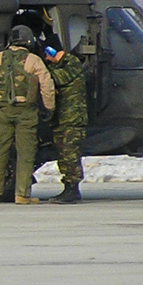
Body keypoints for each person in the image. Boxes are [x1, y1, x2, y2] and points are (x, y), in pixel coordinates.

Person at [0, 25, 56, 204]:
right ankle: (22, 194)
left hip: (2, 110)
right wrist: (49, 108)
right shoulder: (34, 60)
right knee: (26, 152)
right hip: (26, 112)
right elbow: (47, 85)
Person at [45, 42, 87, 203]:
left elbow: (58, 78)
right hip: (62, 119)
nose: (46, 58)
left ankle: (73, 189)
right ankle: (69, 188)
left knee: (70, 154)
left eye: (48, 53)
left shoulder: (72, 63)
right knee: (63, 154)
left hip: (72, 119)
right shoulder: (60, 66)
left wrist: (41, 71)